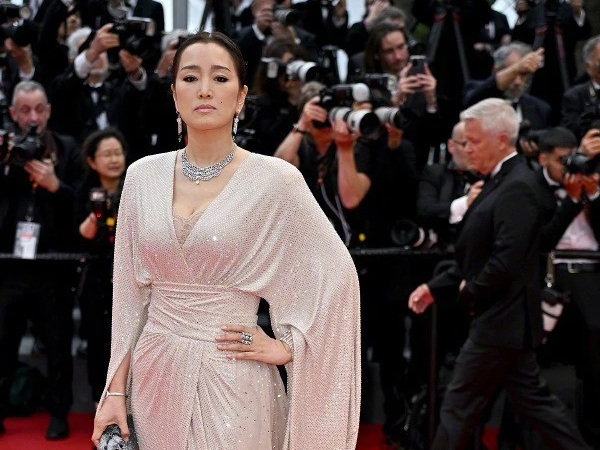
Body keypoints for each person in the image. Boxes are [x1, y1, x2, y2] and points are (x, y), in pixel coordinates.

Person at [91, 32, 360, 450]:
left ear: (241, 97)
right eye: (190, 77)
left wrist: (289, 345)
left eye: (219, 78)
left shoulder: (275, 180)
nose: (204, 90)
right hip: (154, 376)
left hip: (235, 379)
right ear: (174, 94)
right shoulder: (142, 176)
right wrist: (115, 391)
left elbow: (337, 275)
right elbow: (129, 297)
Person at [407, 98, 592, 450]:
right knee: (536, 406)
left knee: (458, 407)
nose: (467, 149)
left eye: (474, 141)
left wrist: (468, 291)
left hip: (501, 319)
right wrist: (436, 286)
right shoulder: (501, 180)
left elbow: (507, 260)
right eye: (465, 141)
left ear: (502, 139)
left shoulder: (517, 185)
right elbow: (479, 251)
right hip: (505, 320)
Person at [0, 81, 84, 439]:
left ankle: (59, 412)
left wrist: (55, 185)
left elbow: (83, 200)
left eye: (38, 109)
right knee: (3, 342)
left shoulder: (67, 148)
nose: (32, 118)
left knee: (57, 343)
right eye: (24, 110)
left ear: (48, 111)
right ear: (12, 113)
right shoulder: (6, 149)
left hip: (53, 263)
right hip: (10, 264)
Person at [76, 128, 127, 408]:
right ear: (92, 161)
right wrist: (97, 212)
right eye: (107, 154)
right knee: (97, 341)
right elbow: (82, 234)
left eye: (118, 153)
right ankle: (100, 404)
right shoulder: (83, 190)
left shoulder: (134, 187)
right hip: (96, 276)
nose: (114, 160)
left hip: (128, 276)